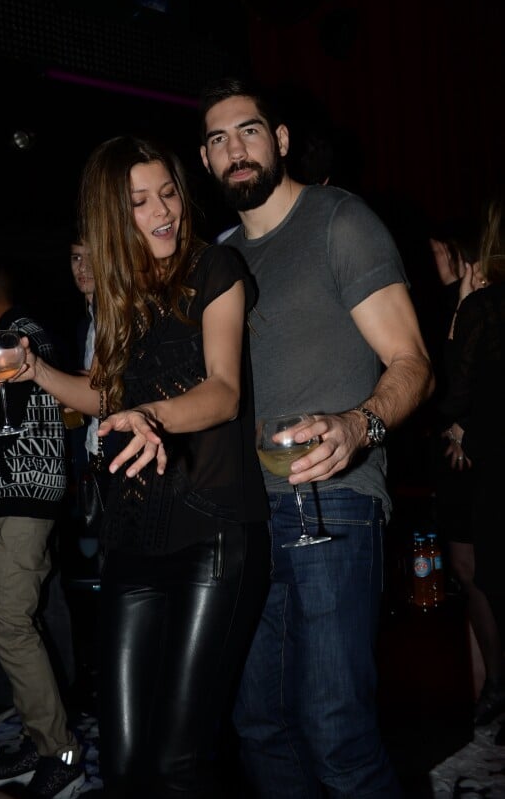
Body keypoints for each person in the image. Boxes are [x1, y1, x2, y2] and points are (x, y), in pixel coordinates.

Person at [0, 134, 271, 798]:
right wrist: (36, 372)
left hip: (211, 532)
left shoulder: (216, 267)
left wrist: (152, 414)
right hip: (133, 539)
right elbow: (104, 395)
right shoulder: (117, 297)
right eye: (140, 202)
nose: (162, 211)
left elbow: (223, 391)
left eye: (167, 193)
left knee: (179, 763)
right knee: (122, 765)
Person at [198, 76, 435, 797]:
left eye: (248, 131)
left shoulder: (338, 220)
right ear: (205, 161)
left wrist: (357, 424)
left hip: (332, 503)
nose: (235, 149)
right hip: (246, 516)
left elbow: (412, 363)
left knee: (335, 732)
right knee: (258, 725)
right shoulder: (220, 256)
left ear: (280, 140)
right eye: (217, 139)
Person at [0, 260, 84, 799]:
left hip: (24, 497)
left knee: (9, 623)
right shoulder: (19, 335)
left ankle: (61, 754)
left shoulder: (18, 336)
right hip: (12, 499)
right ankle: (40, 739)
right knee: (11, 619)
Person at [437, 192, 505, 736]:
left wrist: (465, 428)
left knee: (488, 574)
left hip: (484, 463)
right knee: (475, 572)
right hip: (470, 458)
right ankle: (492, 685)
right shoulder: (464, 302)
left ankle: (497, 685)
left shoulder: (481, 304)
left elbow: (453, 393)